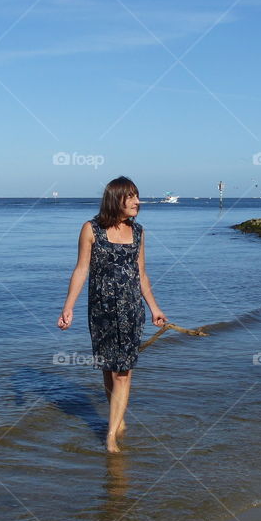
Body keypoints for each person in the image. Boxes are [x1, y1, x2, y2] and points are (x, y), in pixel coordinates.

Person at [57, 176, 167, 453]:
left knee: (123, 372)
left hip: (131, 310)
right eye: (131, 197)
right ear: (115, 199)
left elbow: (141, 273)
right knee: (108, 367)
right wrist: (68, 306)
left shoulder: (139, 232)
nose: (137, 202)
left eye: (137, 196)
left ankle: (110, 436)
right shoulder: (91, 229)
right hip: (101, 310)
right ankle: (117, 420)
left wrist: (154, 308)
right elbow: (81, 269)